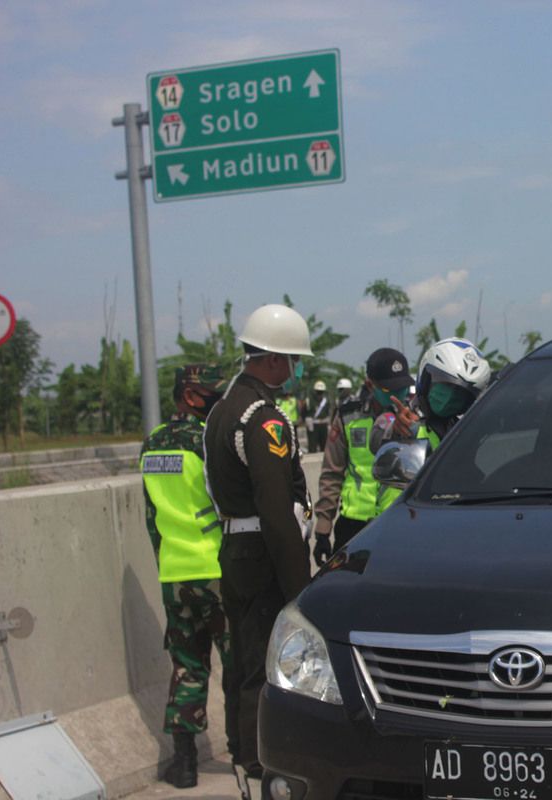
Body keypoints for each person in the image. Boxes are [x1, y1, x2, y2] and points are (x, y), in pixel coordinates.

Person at [202, 303, 314, 799]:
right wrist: (299, 589)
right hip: (263, 553)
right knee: (264, 664)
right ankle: (256, 755)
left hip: (234, 549)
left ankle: (240, 746)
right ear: (270, 360)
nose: (291, 370)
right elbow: (275, 510)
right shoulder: (262, 418)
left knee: (243, 656)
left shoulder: (221, 411)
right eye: (289, 360)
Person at [140, 364, 230, 789]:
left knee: (188, 666)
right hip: (216, 570)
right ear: (191, 397)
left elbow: (151, 518)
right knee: (239, 664)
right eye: (212, 393)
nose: (218, 399)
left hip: (175, 573)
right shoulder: (207, 441)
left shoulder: (152, 444)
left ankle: (185, 764)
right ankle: (248, 754)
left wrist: (167, 563)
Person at [312, 348, 420, 565]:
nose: (397, 395)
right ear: (370, 384)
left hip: (399, 522)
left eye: (402, 388)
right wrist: (323, 528)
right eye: (390, 388)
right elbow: (332, 474)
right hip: (354, 525)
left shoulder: (417, 419)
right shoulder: (348, 416)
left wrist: (413, 430)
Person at [413, 338, 493, 450]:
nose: (449, 397)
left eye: (460, 392)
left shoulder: (463, 433)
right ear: (426, 380)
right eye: (446, 385)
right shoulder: (401, 423)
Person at [308, 380, 330, 452]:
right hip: (313, 425)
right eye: (318, 392)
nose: (319, 394)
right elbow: (305, 412)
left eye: (321, 392)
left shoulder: (326, 401)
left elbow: (328, 412)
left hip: (323, 424)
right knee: (312, 446)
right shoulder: (310, 400)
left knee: (324, 445)